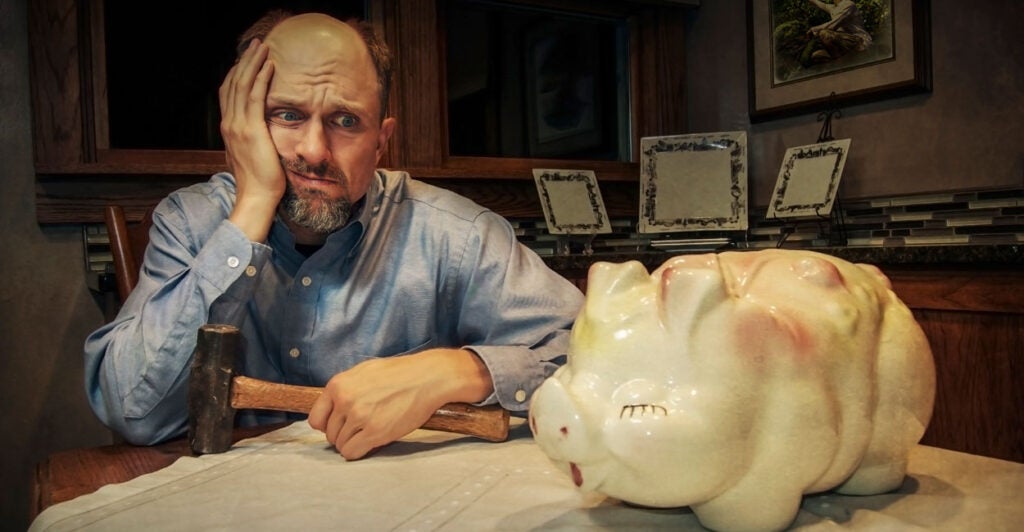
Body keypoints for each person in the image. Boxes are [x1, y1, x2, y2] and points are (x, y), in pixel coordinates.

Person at [84, 11, 583, 460]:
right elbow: (134, 410)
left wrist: (457, 371)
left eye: (346, 121)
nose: (316, 150)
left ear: (381, 142)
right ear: (241, 126)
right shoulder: (190, 223)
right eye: (286, 115)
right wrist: (254, 202)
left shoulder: (457, 235)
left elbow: (597, 354)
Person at [806, 0, 873, 62]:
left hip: (859, 41)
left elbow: (833, 24)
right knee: (817, 55)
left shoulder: (848, 4)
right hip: (844, 42)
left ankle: (839, 61)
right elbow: (820, 4)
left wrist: (813, 30)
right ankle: (838, 59)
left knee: (825, 34)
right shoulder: (834, 8)